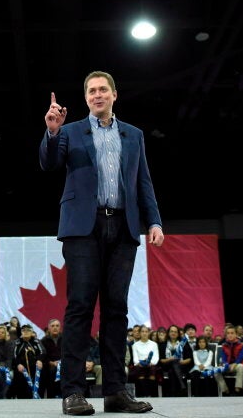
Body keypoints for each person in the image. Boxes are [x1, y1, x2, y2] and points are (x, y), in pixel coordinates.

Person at [39, 70, 164, 415]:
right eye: (91, 91)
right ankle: (74, 392)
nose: (97, 95)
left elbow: (144, 182)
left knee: (116, 310)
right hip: (83, 228)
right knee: (80, 307)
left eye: (102, 90)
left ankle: (115, 392)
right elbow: (49, 164)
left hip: (123, 228)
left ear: (113, 94)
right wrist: (51, 131)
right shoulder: (69, 131)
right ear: (86, 98)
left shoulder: (134, 135)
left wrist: (153, 220)